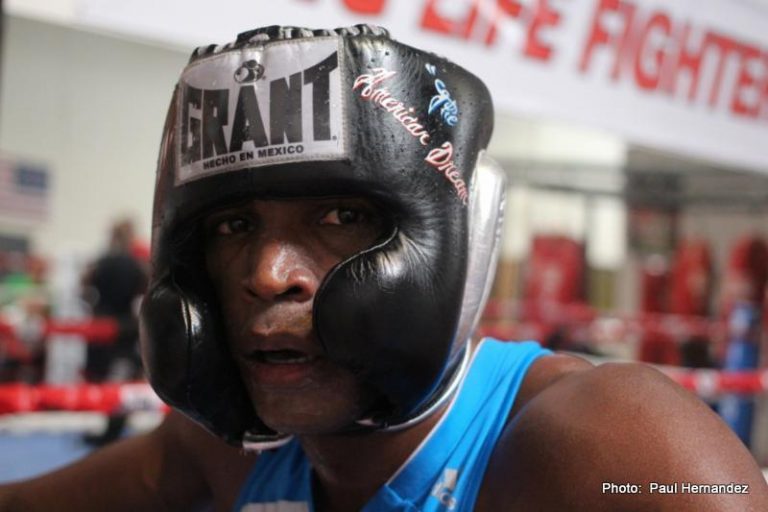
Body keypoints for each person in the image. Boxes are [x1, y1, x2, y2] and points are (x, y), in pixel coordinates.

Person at [1, 24, 767, 512]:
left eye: (340, 218)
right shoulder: (228, 451)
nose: (269, 275)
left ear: (452, 243)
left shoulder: (606, 439)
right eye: (235, 225)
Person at [81, 218, 148, 444]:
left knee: (104, 377)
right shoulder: (136, 264)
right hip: (124, 325)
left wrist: (95, 304)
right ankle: (114, 428)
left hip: (101, 322)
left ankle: (111, 429)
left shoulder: (100, 262)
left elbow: (85, 289)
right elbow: (145, 290)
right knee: (122, 377)